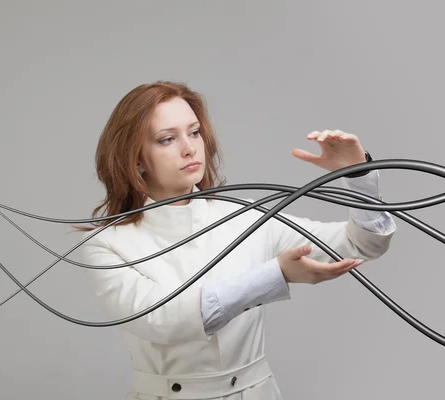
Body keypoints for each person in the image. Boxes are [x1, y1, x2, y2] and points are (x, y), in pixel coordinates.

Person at [77, 81, 397, 400]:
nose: (189, 148)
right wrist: (276, 275)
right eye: (167, 139)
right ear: (135, 159)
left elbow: (362, 244)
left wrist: (358, 176)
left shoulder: (245, 217)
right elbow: (162, 320)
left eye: (194, 132)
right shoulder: (107, 245)